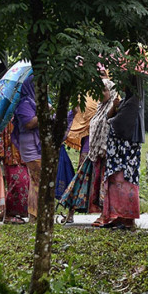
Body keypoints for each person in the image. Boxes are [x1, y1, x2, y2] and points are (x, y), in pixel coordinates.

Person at [60, 79, 116, 221]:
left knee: (102, 182)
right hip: (90, 146)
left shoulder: (114, 105)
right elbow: (73, 115)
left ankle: (105, 214)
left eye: (104, 89)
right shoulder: (90, 100)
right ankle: (70, 213)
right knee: (81, 178)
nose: (101, 92)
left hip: (104, 150)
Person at [94, 78, 144, 230]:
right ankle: (117, 216)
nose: (121, 84)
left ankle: (128, 220)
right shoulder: (125, 101)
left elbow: (119, 123)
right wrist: (114, 107)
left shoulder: (133, 102)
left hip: (126, 154)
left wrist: (112, 119)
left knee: (125, 183)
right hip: (117, 154)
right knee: (116, 183)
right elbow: (108, 117)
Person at [12, 75, 41, 221]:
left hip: (38, 144)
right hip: (30, 145)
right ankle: (34, 216)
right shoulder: (24, 102)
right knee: (37, 179)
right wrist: (44, 113)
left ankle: (36, 214)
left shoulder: (36, 101)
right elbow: (28, 123)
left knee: (37, 181)